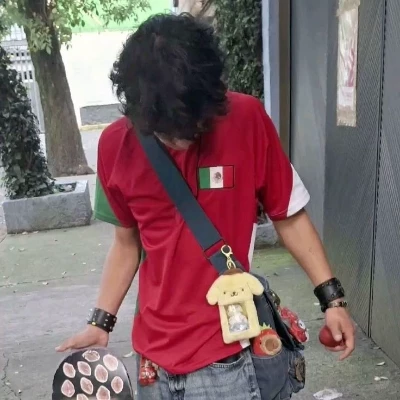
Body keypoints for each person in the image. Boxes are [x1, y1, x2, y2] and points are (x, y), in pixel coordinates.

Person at [56, 13, 355, 399]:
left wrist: (332, 300)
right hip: (152, 362)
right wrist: (101, 322)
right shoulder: (115, 146)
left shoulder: (247, 119)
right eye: (168, 130)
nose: (184, 138)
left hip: (227, 359)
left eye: (194, 124)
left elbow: (290, 216)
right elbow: (126, 244)